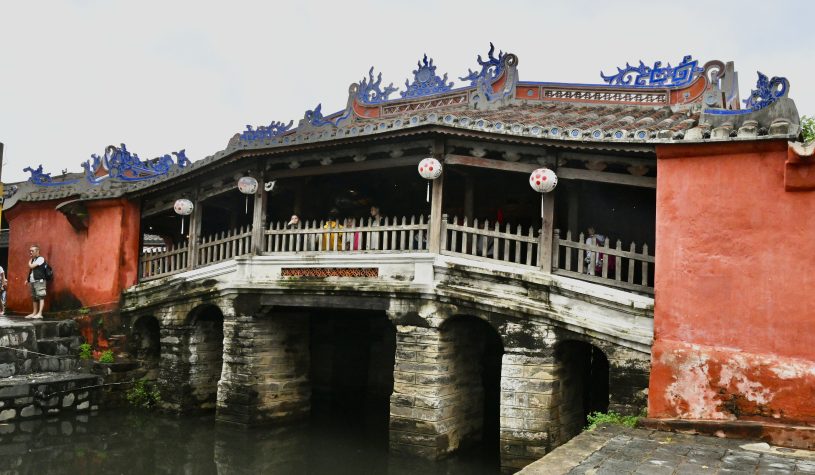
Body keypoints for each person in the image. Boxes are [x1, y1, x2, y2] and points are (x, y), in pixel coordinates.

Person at [26, 245, 47, 319]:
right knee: (34, 297)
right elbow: (31, 271)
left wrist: (29, 262)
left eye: (32, 251)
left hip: (39, 281)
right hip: (33, 281)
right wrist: (27, 280)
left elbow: (31, 267)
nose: (30, 252)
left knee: (41, 296)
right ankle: (34, 312)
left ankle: (40, 313)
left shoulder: (41, 259)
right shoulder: (33, 260)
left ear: (37, 251)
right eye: (30, 251)